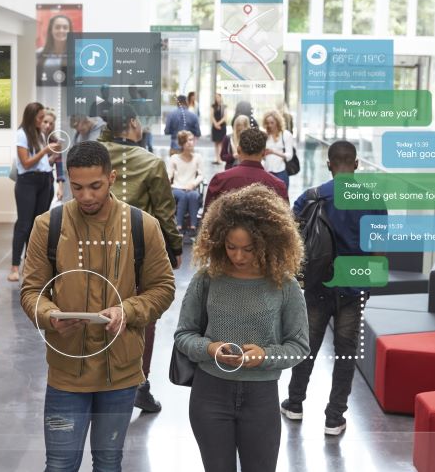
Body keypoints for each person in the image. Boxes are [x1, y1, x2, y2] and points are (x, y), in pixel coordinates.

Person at [20, 141, 175, 472]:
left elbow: (163, 288)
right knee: (60, 465)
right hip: (65, 372)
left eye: (95, 186)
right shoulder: (47, 226)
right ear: (67, 179)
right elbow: (31, 291)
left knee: (108, 463)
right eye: (77, 187)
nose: (86, 196)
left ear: (112, 177)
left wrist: (128, 311)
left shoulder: (142, 226)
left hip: (120, 373)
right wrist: (49, 316)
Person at [175, 183, 310, 472]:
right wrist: (210, 348)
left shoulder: (284, 285)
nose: (238, 256)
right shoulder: (207, 279)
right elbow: (183, 335)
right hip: (209, 394)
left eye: (248, 249)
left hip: (261, 398)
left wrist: (264, 356)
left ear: (267, 242)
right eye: (231, 247)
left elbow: (299, 347)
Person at [280, 140, 387, 436]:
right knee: (346, 353)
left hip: (317, 287)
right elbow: (378, 253)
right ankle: (334, 417)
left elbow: (290, 242)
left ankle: (295, 403)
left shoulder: (311, 198)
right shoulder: (373, 200)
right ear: (355, 164)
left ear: (329, 164)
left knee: (307, 347)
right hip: (353, 289)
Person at [100, 103, 183, 412]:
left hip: (93, 247)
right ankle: (139, 384)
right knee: (142, 315)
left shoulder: (92, 154)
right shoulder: (151, 163)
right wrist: (175, 248)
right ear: (133, 123)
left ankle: (100, 380)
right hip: (138, 250)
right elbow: (164, 212)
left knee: (96, 308)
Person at [9, 102, 61, 282]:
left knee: (37, 226)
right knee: (23, 225)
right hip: (28, 182)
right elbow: (26, 163)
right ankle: (15, 267)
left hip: (45, 180)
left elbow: (42, 162)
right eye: (40, 118)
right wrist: (45, 150)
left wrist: (52, 155)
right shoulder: (22, 134)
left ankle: (29, 265)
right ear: (32, 117)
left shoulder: (40, 134)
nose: (43, 121)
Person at [204, 128, 288, 214]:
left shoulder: (219, 180)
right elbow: (286, 220)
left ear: (238, 150)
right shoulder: (278, 185)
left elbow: (206, 218)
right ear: (263, 153)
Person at [168, 130, 204, 236]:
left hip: (191, 187)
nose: (191, 142)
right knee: (183, 196)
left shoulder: (198, 157)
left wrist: (193, 183)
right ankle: (178, 226)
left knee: (193, 195)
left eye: (192, 140)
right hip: (177, 188)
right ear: (182, 143)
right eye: (188, 140)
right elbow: (168, 175)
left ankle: (193, 226)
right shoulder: (174, 158)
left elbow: (201, 175)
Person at [262, 110, 294, 189]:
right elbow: (262, 157)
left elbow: (289, 156)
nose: (269, 125)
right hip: (267, 172)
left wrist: (273, 152)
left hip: (281, 172)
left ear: (277, 122)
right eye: (267, 123)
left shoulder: (286, 134)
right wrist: (263, 154)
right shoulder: (265, 135)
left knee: (282, 200)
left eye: (272, 122)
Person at [42, 109, 65, 203]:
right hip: (31, 183)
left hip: (48, 182)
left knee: (42, 216)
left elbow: (59, 166)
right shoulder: (32, 140)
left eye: (51, 123)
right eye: (45, 122)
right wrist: (52, 158)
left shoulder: (55, 142)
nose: (48, 126)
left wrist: (60, 188)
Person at [211, 93, 227, 164]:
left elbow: (225, 117)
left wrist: (218, 124)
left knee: (221, 143)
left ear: (221, 98)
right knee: (216, 143)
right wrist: (215, 124)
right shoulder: (213, 106)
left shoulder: (224, 106)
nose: (217, 99)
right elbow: (211, 116)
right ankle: (216, 158)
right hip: (215, 126)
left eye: (218, 97)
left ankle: (220, 159)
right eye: (216, 97)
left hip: (222, 126)